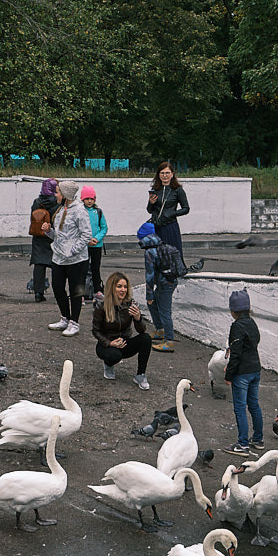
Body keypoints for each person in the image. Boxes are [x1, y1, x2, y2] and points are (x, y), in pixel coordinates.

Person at [146, 162, 190, 347]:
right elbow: (149, 211)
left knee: (171, 253)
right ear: (158, 175)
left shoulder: (177, 190)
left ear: (172, 174)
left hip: (170, 226)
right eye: (162, 173)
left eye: (168, 173)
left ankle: (173, 272)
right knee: (156, 255)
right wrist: (151, 203)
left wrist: (173, 213)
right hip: (158, 226)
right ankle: (160, 329)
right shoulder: (155, 190)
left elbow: (186, 208)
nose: (165, 176)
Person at [46, 180, 92, 336]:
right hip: (58, 257)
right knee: (58, 288)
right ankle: (65, 317)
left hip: (76, 260)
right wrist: (48, 231)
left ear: (65, 195)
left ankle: (74, 322)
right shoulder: (61, 209)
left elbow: (86, 234)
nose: (55, 194)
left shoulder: (79, 210)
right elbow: (59, 235)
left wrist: (73, 251)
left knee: (76, 292)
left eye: (58, 192)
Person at [92, 270, 151, 389]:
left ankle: (140, 375)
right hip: (106, 345)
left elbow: (141, 331)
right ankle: (108, 364)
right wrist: (109, 343)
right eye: (119, 286)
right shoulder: (101, 305)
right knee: (115, 355)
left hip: (123, 342)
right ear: (112, 288)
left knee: (146, 338)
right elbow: (95, 331)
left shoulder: (130, 304)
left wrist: (138, 318)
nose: (123, 290)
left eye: (125, 287)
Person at [226, 287, 263, 453]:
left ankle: (242, 444)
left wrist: (229, 374)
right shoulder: (252, 323)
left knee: (240, 408)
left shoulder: (237, 327)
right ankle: (258, 439)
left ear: (234, 311)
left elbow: (236, 354)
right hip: (255, 368)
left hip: (242, 373)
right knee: (254, 405)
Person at [26, 179, 57, 301]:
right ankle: (58, 291)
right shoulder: (57, 202)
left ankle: (38, 293)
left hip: (38, 237)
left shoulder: (36, 202)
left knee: (39, 265)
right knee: (56, 266)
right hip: (52, 236)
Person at [80, 184, 109, 299]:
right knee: (82, 269)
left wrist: (96, 238)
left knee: (95, 268)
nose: (89, 201)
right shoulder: (80, 211)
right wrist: (87, 240)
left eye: (91, 199)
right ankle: (81, 293)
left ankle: (97, 290)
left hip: (97, 245)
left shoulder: (98, 212)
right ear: (82, 199)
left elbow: (104, 227)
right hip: (84, 245)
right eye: (87, 199)